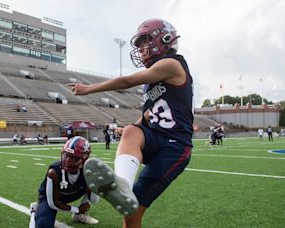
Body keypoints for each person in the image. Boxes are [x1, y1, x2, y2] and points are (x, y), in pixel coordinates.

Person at [69, 19, 193, 227]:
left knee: (133, 212)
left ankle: (124, 186)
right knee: (131, 132)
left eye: (145, 41)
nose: (142, 49)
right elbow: (147, 116)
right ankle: (122, 185)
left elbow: (126, 82)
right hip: (157, 138)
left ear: (164, 39)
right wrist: (128, 128)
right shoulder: (153, 79)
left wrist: (88, 89)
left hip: (175, 146)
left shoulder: (172, 63)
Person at [29, 136, 99, 228]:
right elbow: (53, 203)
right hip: (52, 197)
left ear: (84, 159)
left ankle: (79, 216)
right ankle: (34, 211)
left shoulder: (88, 171)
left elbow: (94, 200)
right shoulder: (54, 172)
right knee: (44, 225)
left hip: (72, 193)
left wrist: (94, 183)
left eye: (73, 158)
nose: (67, 160)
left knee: (90, 184)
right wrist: (77, 209)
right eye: (66, 155)